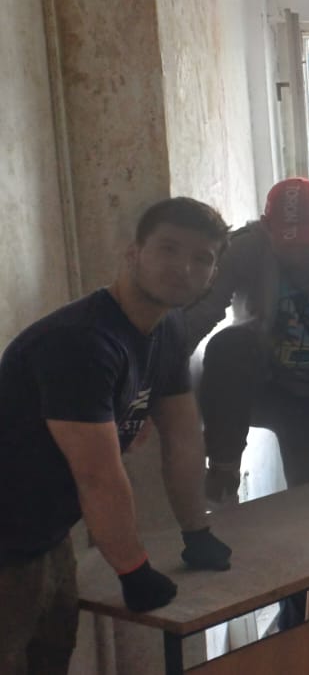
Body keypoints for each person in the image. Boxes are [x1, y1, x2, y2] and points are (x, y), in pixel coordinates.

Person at [0, 198, 234, 672]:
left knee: (49, 660)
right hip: (8, 540)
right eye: (168, 248)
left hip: (47, 532)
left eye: (201, 258)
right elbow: (98, 475)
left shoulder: (167, 328)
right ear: (133, 253)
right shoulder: (82, 343)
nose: (183, 268)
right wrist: (133, 569)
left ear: (212, 275)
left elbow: (183, 438)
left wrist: (197, 531)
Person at [186, 178, 309, 498]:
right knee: (230, 344)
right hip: (259, 382)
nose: (303, 254)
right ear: (266, 227)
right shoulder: (242, 249)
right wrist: (154, 374)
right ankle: (223, 468)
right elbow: (201, 312)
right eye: (291, 245)